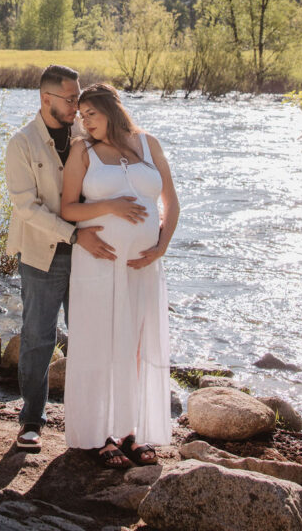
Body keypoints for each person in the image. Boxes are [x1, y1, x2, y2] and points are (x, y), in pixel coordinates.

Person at [61, 83, 180, 468]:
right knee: (101, 344)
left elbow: (171, 201)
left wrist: (161, 247)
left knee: (138, 346)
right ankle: (101, 435)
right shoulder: (82, 151)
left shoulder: (148, 144)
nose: (84, 121)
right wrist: (110, 206)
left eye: (90, 113)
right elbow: (67, 209)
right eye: (80, 116)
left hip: (143, 266)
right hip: (99, 262)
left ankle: (133, 431)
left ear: (111, 109)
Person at [6, 64, 116, 453]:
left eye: (78, 98)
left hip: (92, 253)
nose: (77, 106)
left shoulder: (87, 132)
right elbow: (26, 208)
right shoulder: (21, 144)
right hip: (43, 253)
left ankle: (92, 423)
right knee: (38, 337)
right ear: (46, 99)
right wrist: (74, 234)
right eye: (70, 100)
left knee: (89, 336)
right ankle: (32, 421)